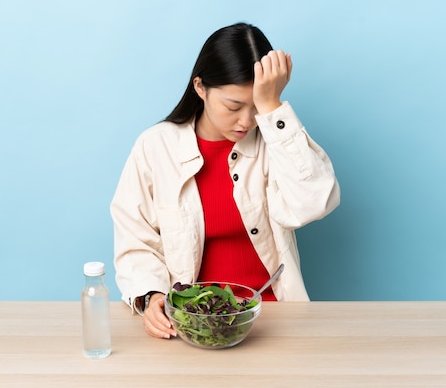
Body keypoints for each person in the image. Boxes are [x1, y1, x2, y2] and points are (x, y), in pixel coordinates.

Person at [110, 22, 340, 339]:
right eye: (233, 106)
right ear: (200, 87)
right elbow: (135, 240)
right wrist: (151, 296)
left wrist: (273, 108)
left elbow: (313, 202)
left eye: (255, 106)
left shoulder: (275, 140)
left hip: (274, 318)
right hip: (191, 324)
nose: (246, 121)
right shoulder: (155, 147)